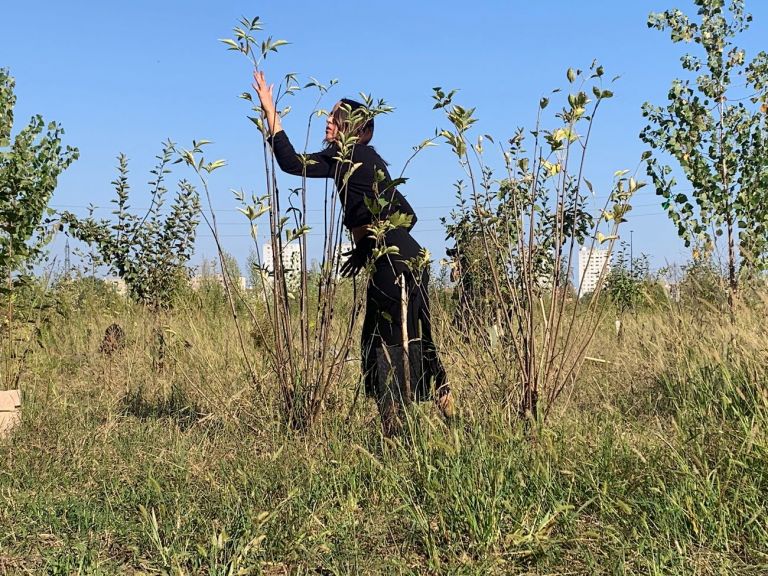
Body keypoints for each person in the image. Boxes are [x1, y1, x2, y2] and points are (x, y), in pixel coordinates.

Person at [252, 70, 455, 435]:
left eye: (335, 118)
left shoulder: (347, 157)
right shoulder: (366, 159)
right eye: (329, 117)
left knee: (385, 347)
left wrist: (271, 113)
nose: (328, 122)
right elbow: (407, 217)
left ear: (352, 128)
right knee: (416, 342)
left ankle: (396, 437)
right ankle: (457, 421)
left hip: (392, 266)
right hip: (410, 261)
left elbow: (290, 163)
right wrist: (368, 246)